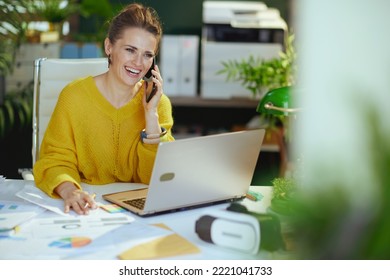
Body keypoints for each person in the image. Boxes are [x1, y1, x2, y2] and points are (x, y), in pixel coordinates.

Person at [33, 3, 174, 215]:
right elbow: (54, 160)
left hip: (138, 214)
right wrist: (70, 191)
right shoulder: (73, 97)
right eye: (130, 50)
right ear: (109, 47)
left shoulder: (158, 103)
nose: (138, 62)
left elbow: (160, 177)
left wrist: (151, 116)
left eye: (147, 54)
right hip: (85, 208)